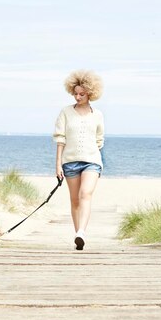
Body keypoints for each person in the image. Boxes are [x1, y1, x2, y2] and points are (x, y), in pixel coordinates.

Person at [53, 69, 104, 250]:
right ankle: (78, 237)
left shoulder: (97, 114)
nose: (78, 97)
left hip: (92, 161)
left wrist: (93, 155)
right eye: (75, 94)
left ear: (90, 93)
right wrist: (58, 164)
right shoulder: (65, 112)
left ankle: (81, 231)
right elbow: (60, 138)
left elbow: (99, 140)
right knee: (74, 200)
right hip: (70, 162)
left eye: (82, 94)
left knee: (86, 194)